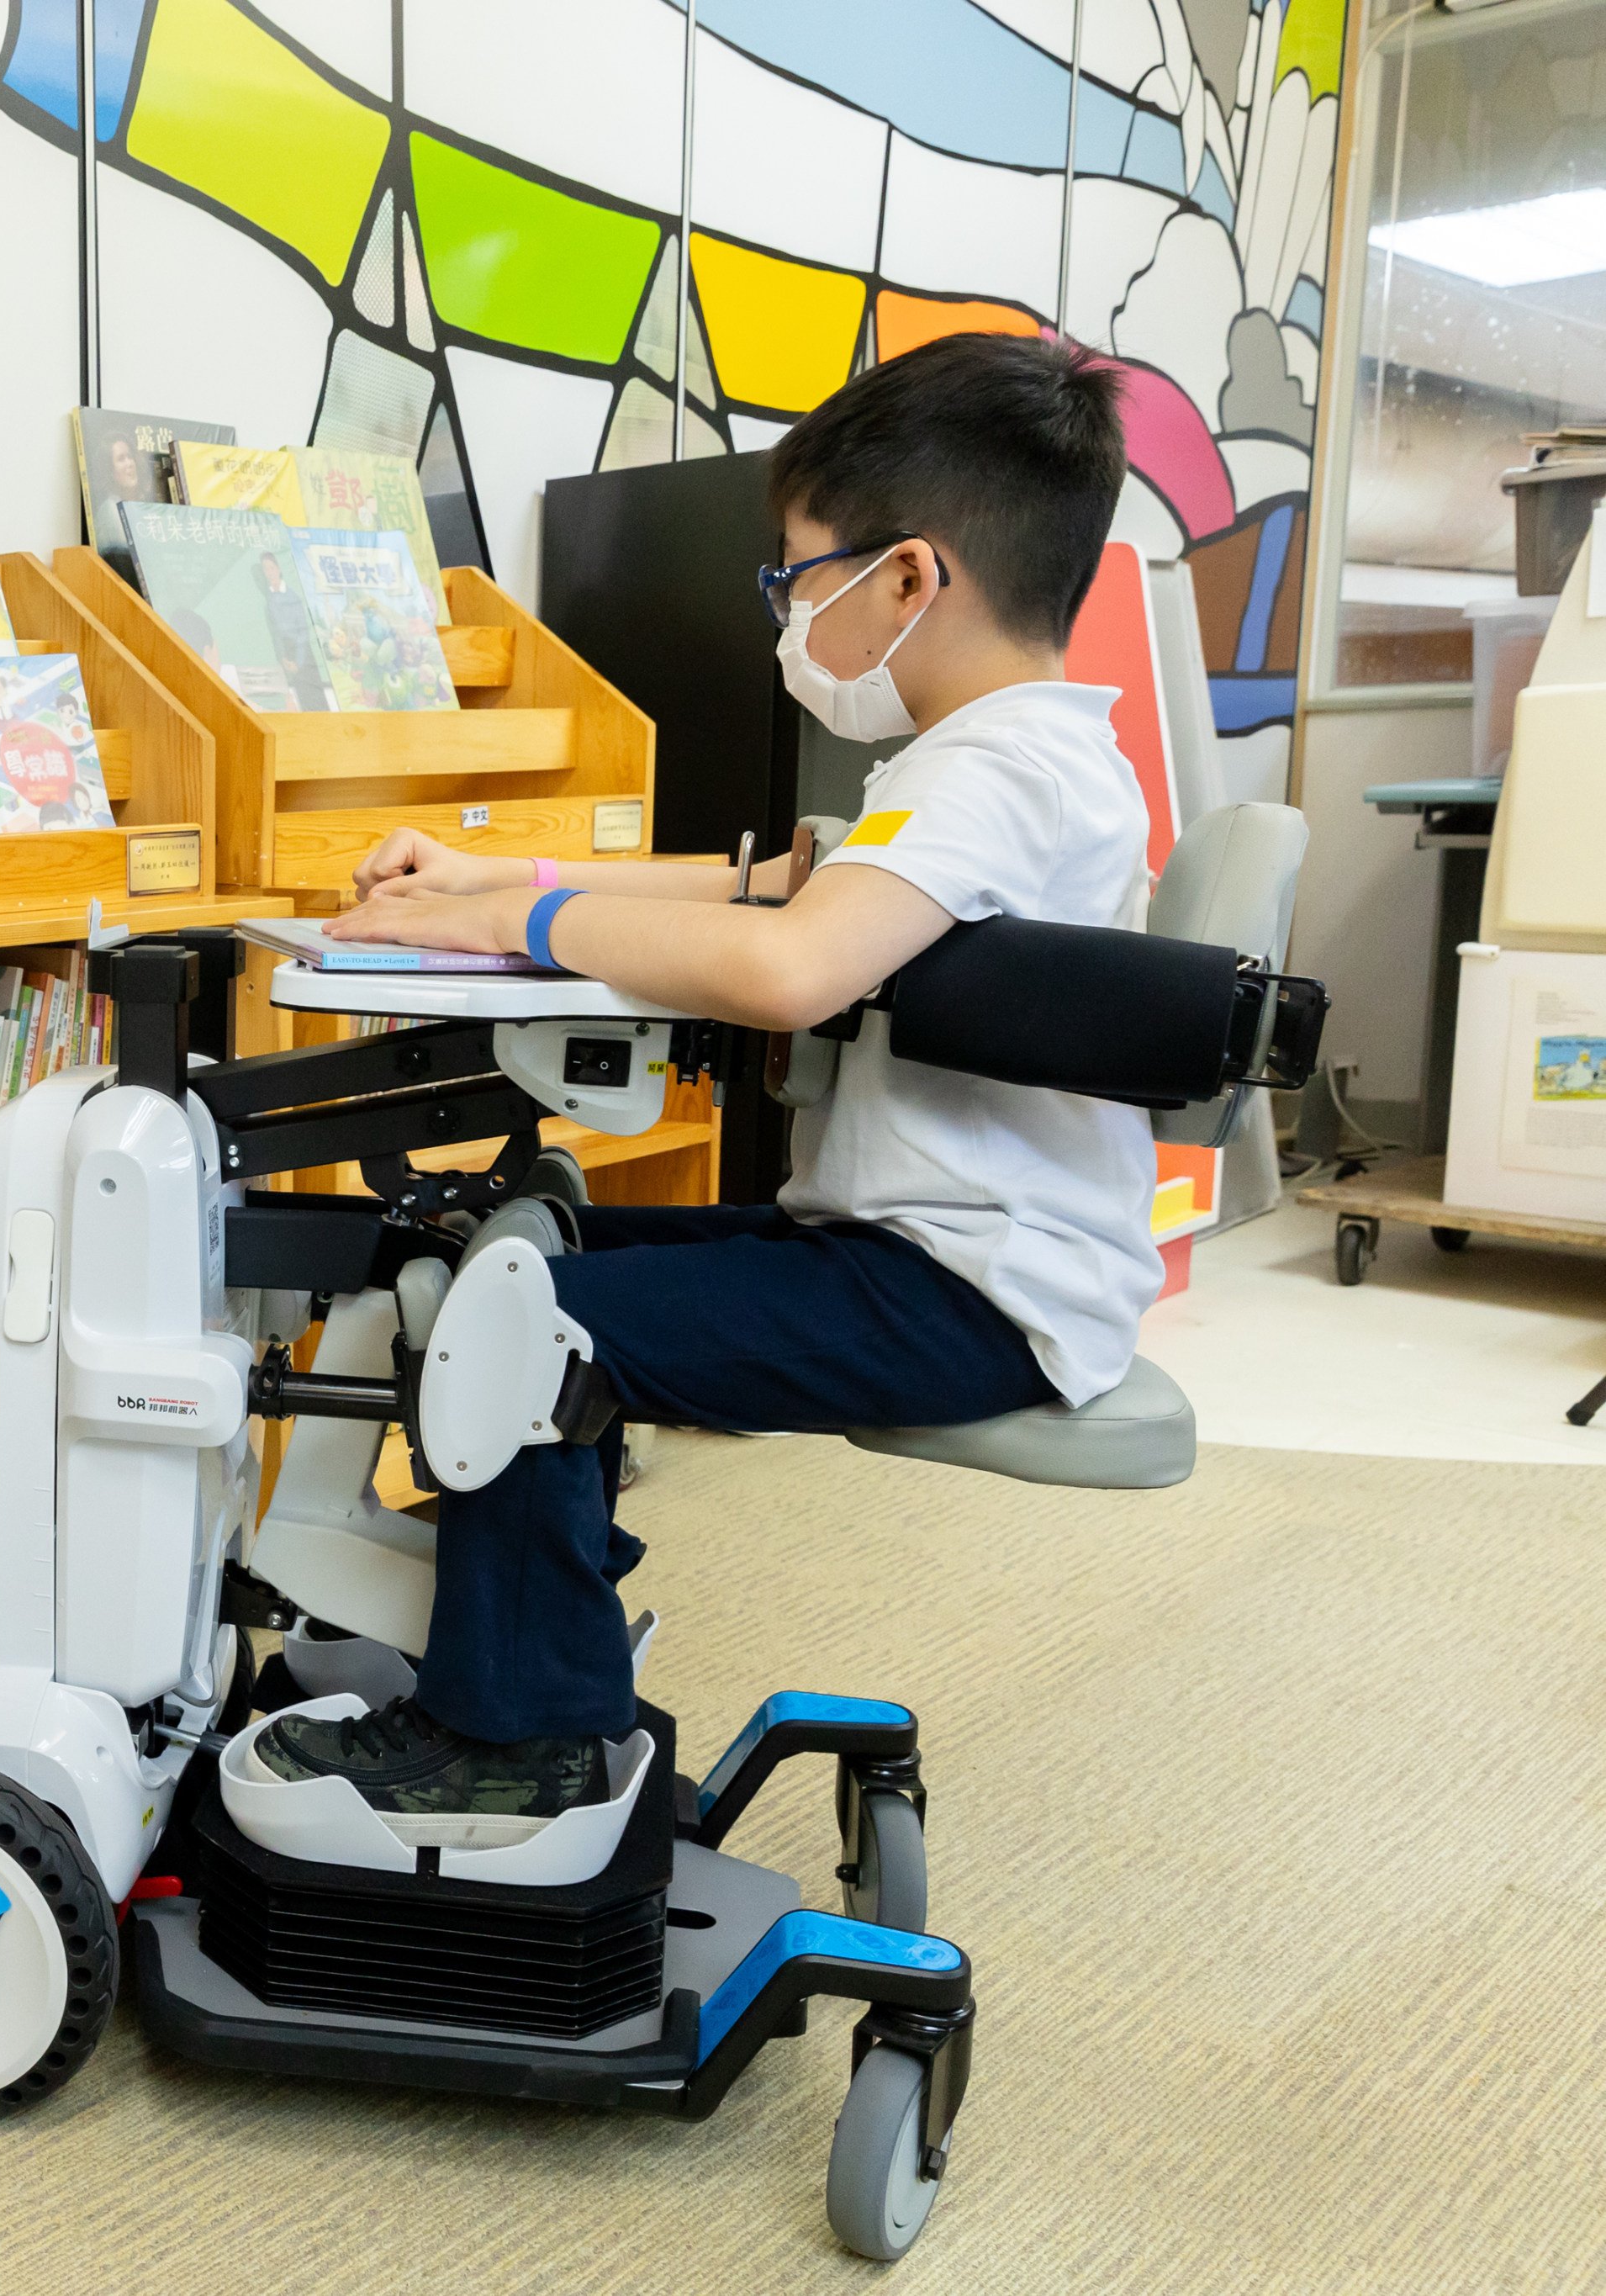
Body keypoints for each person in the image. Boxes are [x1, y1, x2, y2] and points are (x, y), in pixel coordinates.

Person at [255, 331, 1160, 1839]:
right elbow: (777, 879)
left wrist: (501, 924)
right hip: (940, 1257)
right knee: (516, 1249)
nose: (788, 617)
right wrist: (506, 870)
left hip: (964, 1293)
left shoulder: (987, 774)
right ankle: (539, 1633)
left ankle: (520, 1737)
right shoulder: (1024, 755)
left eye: (800, 579)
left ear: (911, 578)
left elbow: (791, 962)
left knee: (521, 1318)